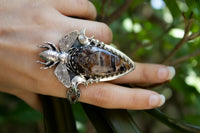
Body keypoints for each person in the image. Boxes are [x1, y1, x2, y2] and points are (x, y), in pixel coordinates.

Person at [0, 0, 175, 112]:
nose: (50, 56)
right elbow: (75, 81)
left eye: (49, 54)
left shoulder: (65, 60)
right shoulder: (63, 72)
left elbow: (75, 77)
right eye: (48, 58)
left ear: (51, 48)